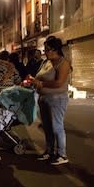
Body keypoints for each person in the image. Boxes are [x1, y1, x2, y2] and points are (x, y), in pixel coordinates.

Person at [31, 36, 71, 165]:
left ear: (55, 50)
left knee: (57, 127)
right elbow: (39, 77)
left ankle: (61, 154)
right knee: (47, 127)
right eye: (45, 49)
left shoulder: (63, 63)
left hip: (57, 99)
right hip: (43, 98)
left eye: (47, 49)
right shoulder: (46, 62)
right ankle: (49, 151)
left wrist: (41, 84)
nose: (45, 52)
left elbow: (59, 83)